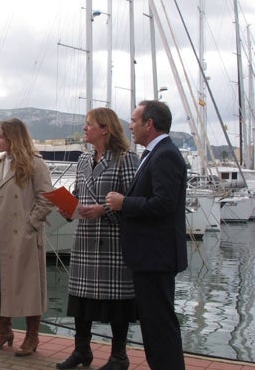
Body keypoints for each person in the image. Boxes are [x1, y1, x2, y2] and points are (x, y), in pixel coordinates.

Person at [106, 100, 187, 370]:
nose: (130, 125)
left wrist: (124, 203)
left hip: (156, 257)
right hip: (148, 257)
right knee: (153, 325)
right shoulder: (152, 154)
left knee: (160, 325)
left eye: (134, 120)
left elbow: (164, 203)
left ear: (149, 124)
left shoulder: (165, 155)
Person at [56, 108, 139, 370]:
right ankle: (82, 351)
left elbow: (133, 202)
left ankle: (119, 357)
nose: (84, 128)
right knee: (81, 301)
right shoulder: (82, 160)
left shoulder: (126, 159)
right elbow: (79, 195)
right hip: (85, 240)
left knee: (117, 301)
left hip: (112, 241)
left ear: (105, 128)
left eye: (88, 124)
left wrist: (105, 210)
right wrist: (67, 209)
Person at [0, 118, 54, 357]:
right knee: (0, 282)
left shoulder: (35, 164)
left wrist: (30, 224)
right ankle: (4, 330)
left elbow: (47, 198)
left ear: (13, 138)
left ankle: (32, 335)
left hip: (24, 238)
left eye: (0, 135)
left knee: (29, 286)